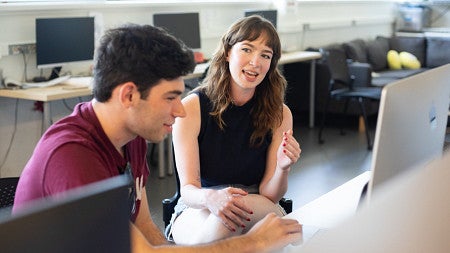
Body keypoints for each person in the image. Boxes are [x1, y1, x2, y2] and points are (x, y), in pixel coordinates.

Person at [12, 23, 302, 252]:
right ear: (129, 95)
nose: (179, 110)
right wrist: (253, 243)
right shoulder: (73, 156)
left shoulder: (131, 139)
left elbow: (147, 231)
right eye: (170, 98)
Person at [169, 15, 302, 245]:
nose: (255, 62)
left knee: (230, 217)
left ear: (271, 64)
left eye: (265, 55)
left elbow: (270, 194)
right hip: (200, 203)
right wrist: (212, 198)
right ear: (228, 52)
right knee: (217, 231)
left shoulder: (280, 114)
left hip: (255, 201)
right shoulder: (191, 108)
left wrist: (283, 168)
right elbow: (189, 189)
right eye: (247, 49)